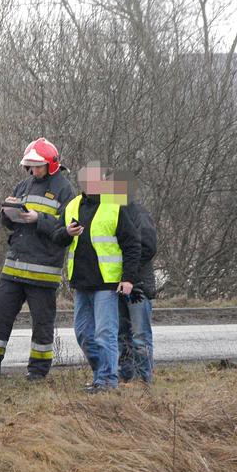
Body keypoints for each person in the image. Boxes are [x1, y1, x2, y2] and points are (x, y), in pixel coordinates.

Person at [0, 138, 75, 381]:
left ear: (51, 165)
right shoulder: (23, 185)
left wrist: (39, 219)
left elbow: (66, 229)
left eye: (37, 166)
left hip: (42, 271)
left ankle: (38, 370)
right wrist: (8, 212)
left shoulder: (64, 190)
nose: (33, 170)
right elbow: (9, 225)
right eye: (30, 166)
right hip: (14, 267)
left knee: (42, 324)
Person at [51, 164, 141, 393]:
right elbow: (55, 236)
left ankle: (107, 381)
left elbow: (132, 244)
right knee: (83, 334)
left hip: (106, 284)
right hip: (81, 283)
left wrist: (128, 278)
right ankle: (102, 374)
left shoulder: (114, 206)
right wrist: (66, 233)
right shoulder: (72, 205)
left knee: (105, 334)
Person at [115, 180, 158, 383]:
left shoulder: (138, 214)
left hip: (138, 286)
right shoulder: (112, 213)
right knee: (122, 336)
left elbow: (148, 247)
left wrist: (128, 271)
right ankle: (126, 378)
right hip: (118, 284)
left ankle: (144, 381)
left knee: (140, 336)